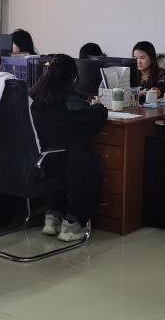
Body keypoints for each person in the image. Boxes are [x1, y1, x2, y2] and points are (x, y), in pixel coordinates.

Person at [29, 54, 107, 242]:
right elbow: (94, 117)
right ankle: (71, 224)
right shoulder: (69, 100)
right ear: (72, 77)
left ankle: (52, 217)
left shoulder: (35, 96)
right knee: (83, 159)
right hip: (65, 160)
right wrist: (99, 106)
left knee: (70, 155)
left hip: (41, 161)